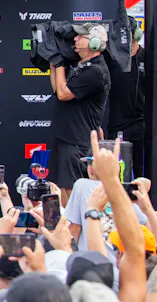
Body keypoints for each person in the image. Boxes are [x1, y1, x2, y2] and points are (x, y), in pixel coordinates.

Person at [49, 23, 111, 203]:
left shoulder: (95, 71)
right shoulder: (83, 66)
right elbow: (57, 89)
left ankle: (80, 222)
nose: (75, 39)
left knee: (73, 194)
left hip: (77, 141)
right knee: (60, 189)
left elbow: (63, 94)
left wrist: (59, 63)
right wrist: (53, 61)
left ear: (94, 43)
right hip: (66, 138)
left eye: (80, 36)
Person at [106, 18, 145, 179]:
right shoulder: (111, 59)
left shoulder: (148, 58)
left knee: (142, 173)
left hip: (142, 126)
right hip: (118, 125)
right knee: (118, 174)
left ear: (136, 35)